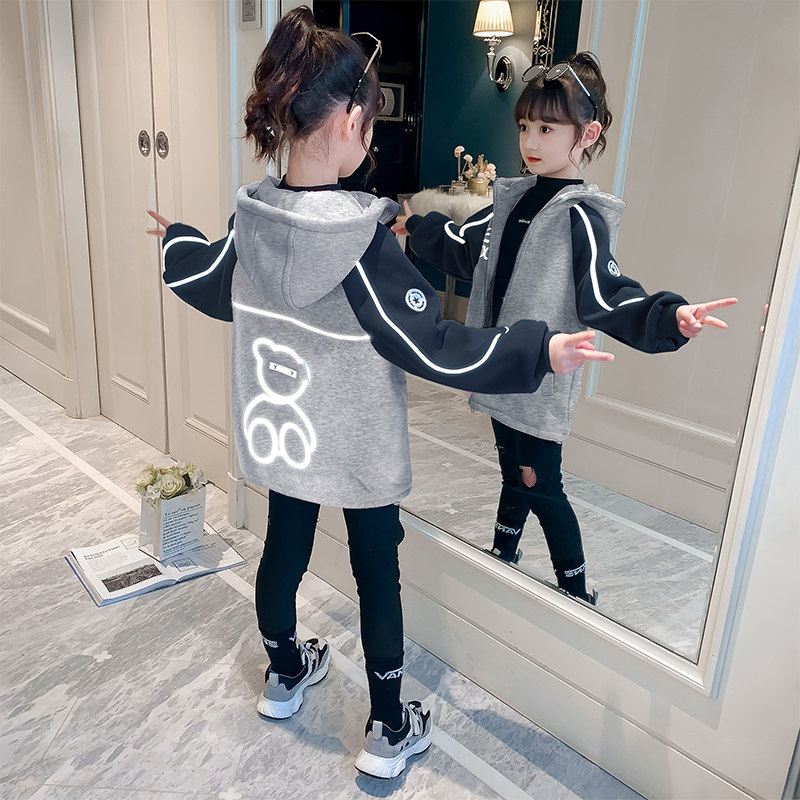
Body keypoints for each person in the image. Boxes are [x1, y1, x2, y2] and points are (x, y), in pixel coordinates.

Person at [146, 13, 614, 779]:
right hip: (357, 443)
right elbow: (430, 344)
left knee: (284, 549)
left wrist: (176, 243)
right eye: (371, 123)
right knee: (375, 574)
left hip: (287, 430)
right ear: (351, 123)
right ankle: (390, 728)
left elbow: (210, 279)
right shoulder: (360, 239)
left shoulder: (254, 218)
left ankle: (285, 672)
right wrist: (538, 348)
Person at [393, 52, 737, 605]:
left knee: (541, 484)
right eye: (525, 126)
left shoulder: (581, 215)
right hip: (501, 362)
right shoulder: (508, 201)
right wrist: (417, 225)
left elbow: (606, 293)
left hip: (544, 373)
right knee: (513, 469)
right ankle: (504, 552)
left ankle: (575, 590)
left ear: (588, 134)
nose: (530, 140)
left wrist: (667, 316)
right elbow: (464, 248)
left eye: (547, 128)